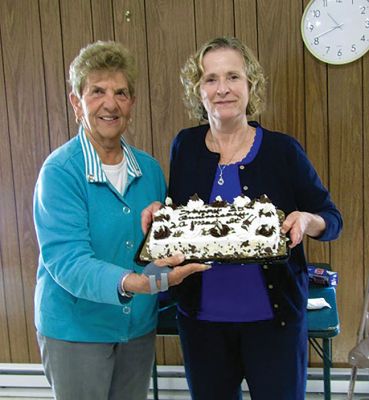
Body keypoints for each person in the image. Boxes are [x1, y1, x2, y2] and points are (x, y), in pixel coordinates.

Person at [164, 37, 342, 399]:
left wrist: (307, 221)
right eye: (210, 79)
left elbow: (332, 219)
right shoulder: (184, 146)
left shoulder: (283, 151)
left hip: (274, 324)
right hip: (202, 326)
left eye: (233, 77)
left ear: (251, 85)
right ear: (197, 90)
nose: (223, 89)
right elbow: (180, 218)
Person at [33, 40, 209, 400]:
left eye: (121, 92)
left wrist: (162, 279)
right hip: (76, 330)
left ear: (132, 104)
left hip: (137, 329)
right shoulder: (60, 172)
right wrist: (140, 285)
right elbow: (67, 262)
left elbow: (158, 255)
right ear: (76, 102)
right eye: (97, 91)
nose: (110, 103)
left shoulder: (149, 169)